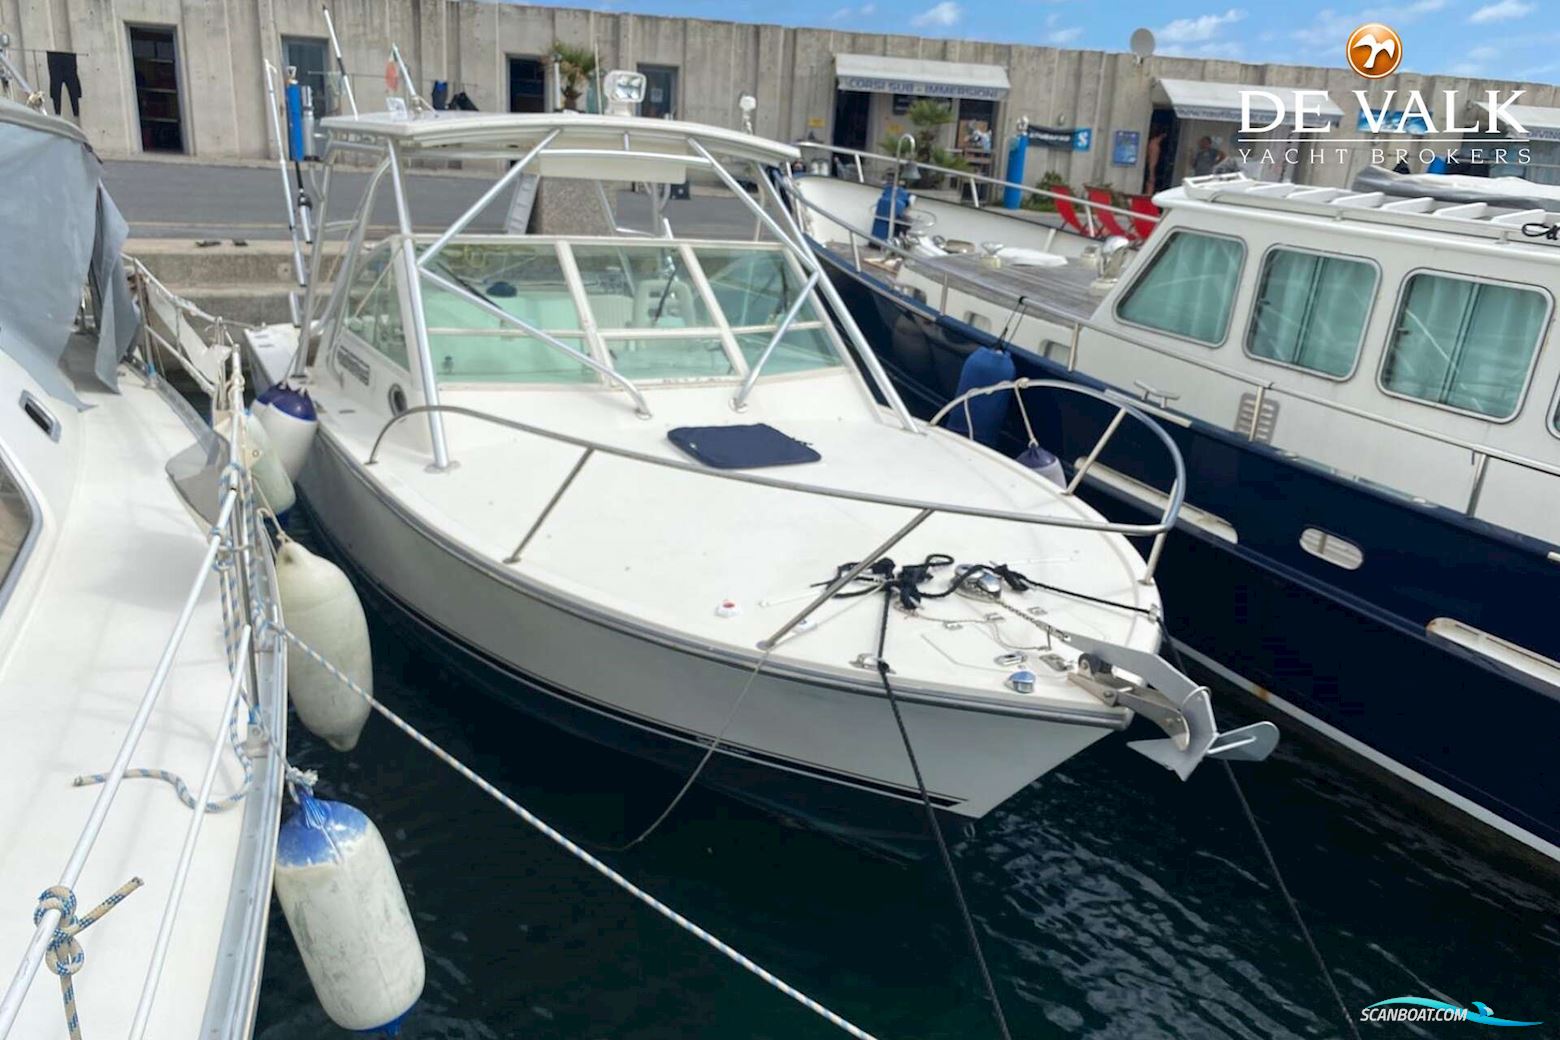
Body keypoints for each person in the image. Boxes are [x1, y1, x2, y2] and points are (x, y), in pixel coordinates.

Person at [1143, 128, 1167, 193]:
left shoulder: (1151, 143)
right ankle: (1148, 195)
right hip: (1152, 166)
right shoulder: (1155, 146)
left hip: (1150, 165)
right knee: (1151, 182)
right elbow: (1153, 160)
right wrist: (1152, 172)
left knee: (1149, 182)